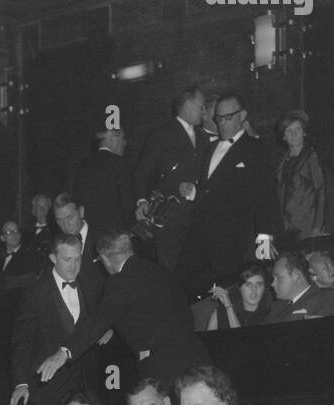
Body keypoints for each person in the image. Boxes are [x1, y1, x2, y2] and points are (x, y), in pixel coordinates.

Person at [35, 232, 207, 398]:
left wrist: (64, 352)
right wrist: (113, 327)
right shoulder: (160, 270)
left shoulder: (120, 281)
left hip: (163, 366)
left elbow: (98, 319)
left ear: (105, 259)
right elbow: (149, 313)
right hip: (196, 356)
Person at [8, 233, 106, 405]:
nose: (73, 266)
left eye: (78, 259)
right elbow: (21, 342)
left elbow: (97, 321)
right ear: (53, 258)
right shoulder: (34, 292)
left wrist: (105, 330)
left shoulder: (90, 285)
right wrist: (21, 383)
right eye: (66, 259)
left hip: (85, 385)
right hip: (48, 390)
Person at [190, 92, 281, 288]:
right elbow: (208, 192)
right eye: (219, 118)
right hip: (207, 242)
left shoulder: (256, 148)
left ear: (242, 115)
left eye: (228, 117)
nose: (222, 123)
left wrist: (264, 238)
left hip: (239, 242)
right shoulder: (209, 149)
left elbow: (266, 196)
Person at [133, 87, 211, 277]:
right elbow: (143, 172)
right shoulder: (161, 135)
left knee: (193, 270)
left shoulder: (203, 137)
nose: (204, 111)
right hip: (169, 220)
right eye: (202, 106)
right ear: (189, 105)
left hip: (196, 218)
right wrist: (141, 201)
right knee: (169, 272)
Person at [275, 109, 333, 243]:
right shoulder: (282, 161)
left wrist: (317, 227)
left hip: (307, 226)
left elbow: (321, 192)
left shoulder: (311, 157)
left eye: (298, 130)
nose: (294, 134)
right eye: (289, 131)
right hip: (286, 227)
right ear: (284, 136)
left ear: (304, 133)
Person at [72, 128, 134, 248]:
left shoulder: (83, 164)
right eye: (122, 138)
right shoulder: (121, 164)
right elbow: (127, 204)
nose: (125, 143)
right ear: (112, 138)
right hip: (115, 238)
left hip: (88, 237)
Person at [261, 250, 334, 324]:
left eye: (278, 278)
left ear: (295, 275)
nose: (273, 284)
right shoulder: (277, 305)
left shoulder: (326, 297)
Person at [197, 263, 273, 330]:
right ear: (239, 287)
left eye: (259, 284)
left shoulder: (272, 313)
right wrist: (228, 308)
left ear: (264, 287)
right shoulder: (220, 314)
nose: (254, 290)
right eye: (248, 285)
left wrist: (229, 308)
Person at [0, 220, 42, 288]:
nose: (14, 234)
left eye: (16, 231)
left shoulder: (30, 257)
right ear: (2, 238)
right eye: (9, 232)